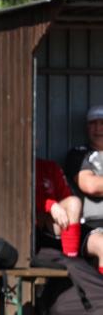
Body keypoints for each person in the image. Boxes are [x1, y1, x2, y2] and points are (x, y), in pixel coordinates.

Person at [66, 105, 103, 275]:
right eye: (93, 124)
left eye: (102, 123)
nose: (98, 129)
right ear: (87, 128)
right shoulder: (79, 154)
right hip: (91, 227)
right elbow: (90, 186)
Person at [35, 158, 80, 257]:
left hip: (52, 226)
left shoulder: (50, 167)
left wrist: (53, 207)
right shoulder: (14, 167)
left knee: (74, 202)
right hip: (27, 230)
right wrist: (50, 205)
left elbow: (67, 198)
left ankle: (71, 257)